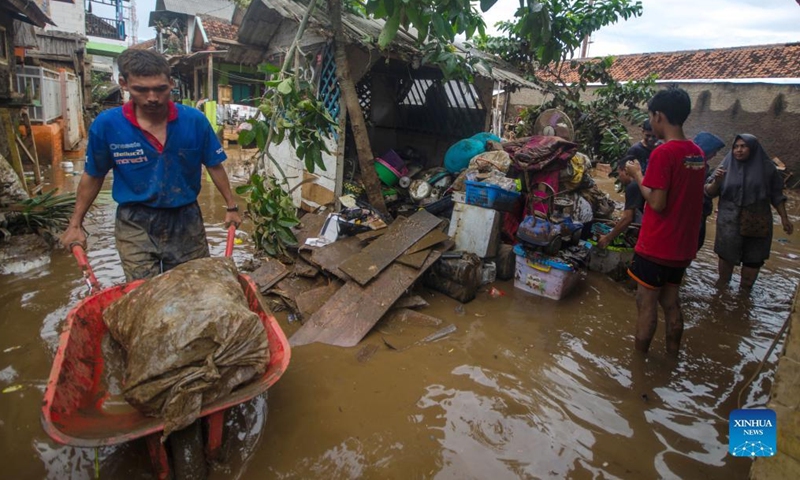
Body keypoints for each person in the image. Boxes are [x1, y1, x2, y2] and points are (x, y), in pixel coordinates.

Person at [60, 49, 241, 281]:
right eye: (141, 90)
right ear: (124, 84)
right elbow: (93, 176)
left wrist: (231, 207)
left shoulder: (194, 121)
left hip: (185, 219)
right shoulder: (107, 125)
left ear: (171, 83)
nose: (152, 97)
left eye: (160, 89)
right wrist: (75, 224)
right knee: (143, 289)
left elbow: (214, 165)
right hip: (134, 222)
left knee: (194, 286)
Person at [624, 87, 706, 356]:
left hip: (657, 245)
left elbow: (657, 203)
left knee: (645, 304)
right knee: (671, 303)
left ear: (659, 116)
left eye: (651, 115)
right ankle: (672, 357)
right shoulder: (697, 154)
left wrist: (637, 175)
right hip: (682, 248)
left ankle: (639, 366)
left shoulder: (663, 153)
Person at [704, 134, 793, 290]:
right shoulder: (726, 166)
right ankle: (720, 299)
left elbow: (777, 195)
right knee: (725, 265)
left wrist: (784, 218)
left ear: (753, 148)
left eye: (743, 146)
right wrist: (717, 182)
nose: (739, 150)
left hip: (758, 222)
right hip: (729, 222)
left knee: (752, 264)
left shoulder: (767, 168)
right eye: (736, 147)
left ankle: (744, 300)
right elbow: (709, 192)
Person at [597, 155, 644, 249]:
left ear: (626, 171)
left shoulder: (632, 187)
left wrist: (607, 238)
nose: (619, 177)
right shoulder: (642, 182)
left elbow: (627, 218)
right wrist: (618, 223)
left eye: (619, 173)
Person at [693, 132, 726, 251]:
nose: (715, 155)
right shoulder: (694, 164)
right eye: (714, 151)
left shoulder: (703, 166)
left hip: (701, 211)